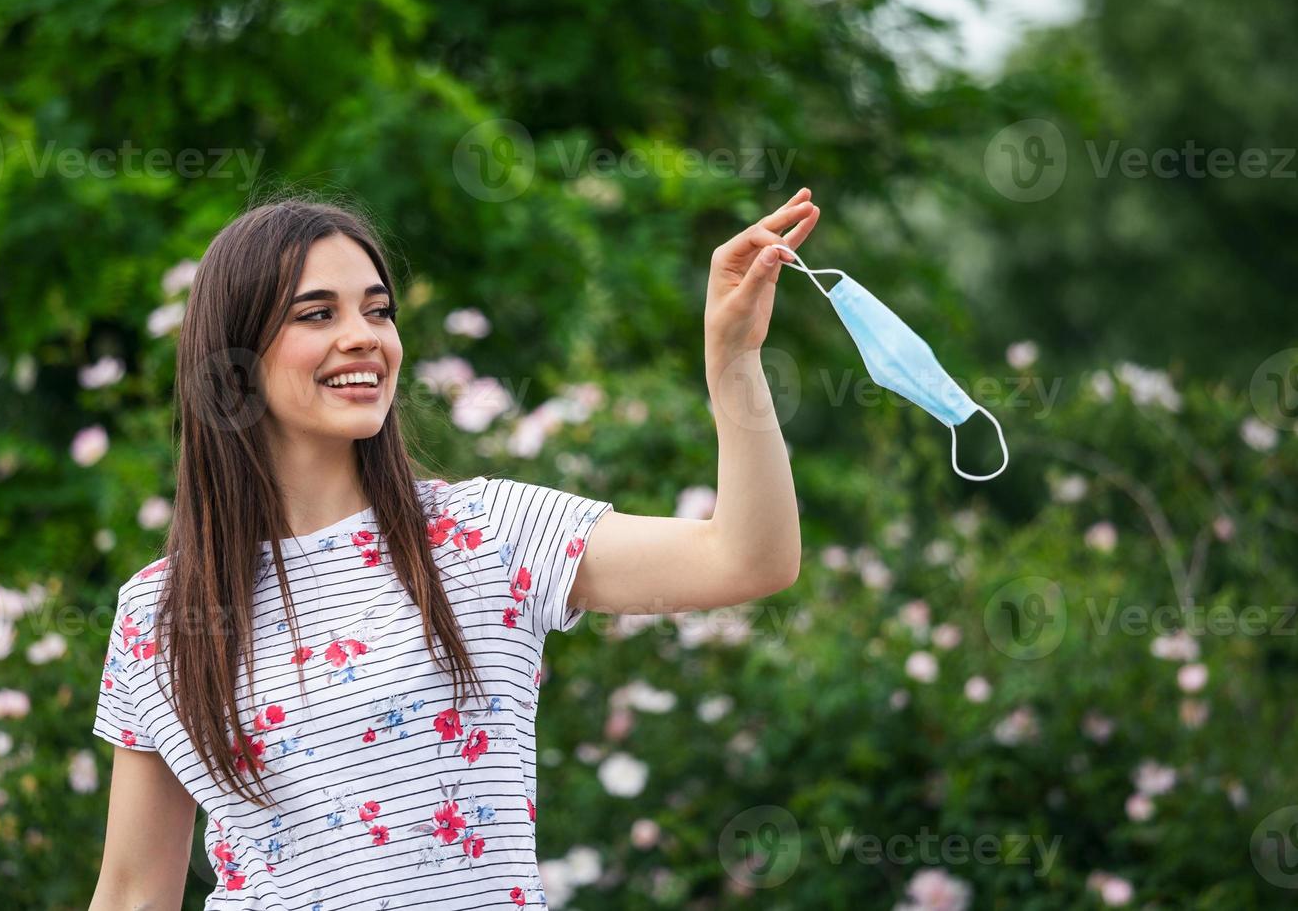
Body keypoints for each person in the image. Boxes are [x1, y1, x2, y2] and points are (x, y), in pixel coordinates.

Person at [88, 190, 814, 910]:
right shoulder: (157, 613)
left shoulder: (486, 533)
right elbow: (130, 892)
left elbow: (748, 558)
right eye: (318, 314)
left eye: (378, 310)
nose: (364, 336)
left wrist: (735, 361)